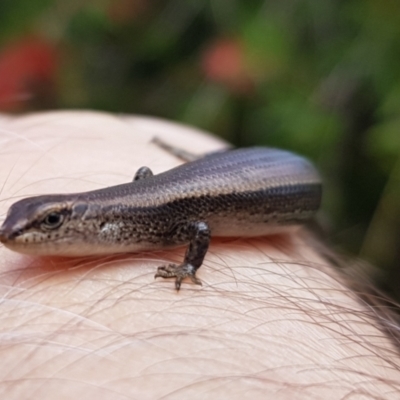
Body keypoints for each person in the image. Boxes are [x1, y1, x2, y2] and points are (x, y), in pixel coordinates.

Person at [0, 111, 399, 399]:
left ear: (88, 220)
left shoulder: (156, 221)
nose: (14, 234)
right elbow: (147, 182)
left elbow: (200, 228)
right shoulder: (138, 217)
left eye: (50, 221)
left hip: (293, 189)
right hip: (261, 171)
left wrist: (188, 266)